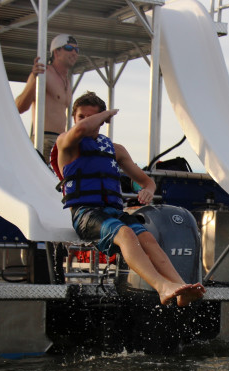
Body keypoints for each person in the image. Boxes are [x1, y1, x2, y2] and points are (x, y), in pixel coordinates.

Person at [56, 91, 205, 306]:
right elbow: (81, 130)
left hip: (114, 214)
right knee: (125, 234)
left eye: (91, 117)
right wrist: (107, 113)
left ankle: (180, 287)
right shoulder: (67, 143)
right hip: (86, 214)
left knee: (148, 240)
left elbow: (146, 181)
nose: (86, 122)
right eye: (82, 117)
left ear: (101, 123)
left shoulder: (115, 150)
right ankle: (162, 287)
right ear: (75, 119)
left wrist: (148, 189)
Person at [16, 34, 80, 170]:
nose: (74, 52)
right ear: (56, 52)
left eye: (77, 50)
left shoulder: (67, 80)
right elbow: (19, 106)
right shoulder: (43, 73)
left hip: (62, 140)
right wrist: (34, 78)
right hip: (44, 140)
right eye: (69, 48)